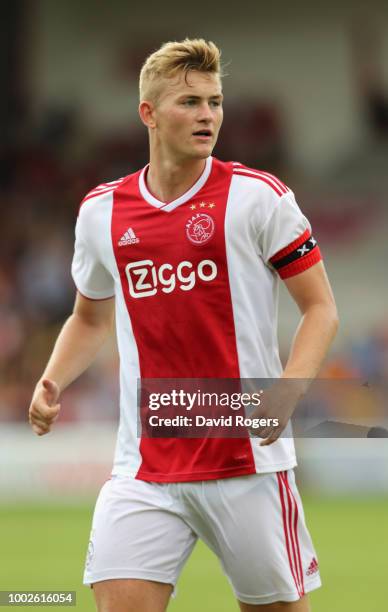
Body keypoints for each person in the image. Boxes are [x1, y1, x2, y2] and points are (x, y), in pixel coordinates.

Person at [29, 39, 339, 612]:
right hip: (145, 464)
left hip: (244, 455)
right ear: (148, 113)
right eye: (190, 102)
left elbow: (321, 307)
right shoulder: (101, 211)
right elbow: (90, 315)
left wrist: (288, 389)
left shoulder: (258, 198)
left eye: (215, 102)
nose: (207, 116)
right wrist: (53, 380)